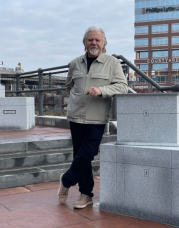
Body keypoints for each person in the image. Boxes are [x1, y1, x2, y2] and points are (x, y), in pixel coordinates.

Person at [57, 26, 128, 209]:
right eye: (90, 40)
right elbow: (68, 86)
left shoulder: (112, 63)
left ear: (104, 43)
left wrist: (101, 90)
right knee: (81, 157)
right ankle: (86, 194)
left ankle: (66, 181)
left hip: (97, 119)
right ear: (84, 43)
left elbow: (122, 86)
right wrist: (74, 100)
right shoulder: (74, 63)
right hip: (75, 117)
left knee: (87, 153)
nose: (93, 43)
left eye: (97, 40)